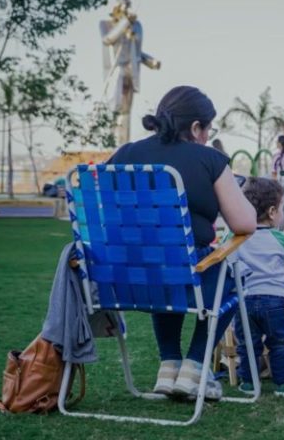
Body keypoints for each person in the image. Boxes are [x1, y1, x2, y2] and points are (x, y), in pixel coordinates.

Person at [108, 85, 256, 400]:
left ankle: (169, 369)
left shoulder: (124, 155)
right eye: (207, 129)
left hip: (125, 280)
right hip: (190, 278)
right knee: (230, 279)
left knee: (165, 264)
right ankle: (194, 367)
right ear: (195, 127)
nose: (207, 136)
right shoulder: (209, 159)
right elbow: (245, 224)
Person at [232, 177, 284, 396]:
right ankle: (283, 384)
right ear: (273, 212)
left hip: (245, 299)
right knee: (280, 343)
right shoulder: (280, 238)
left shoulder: (236, 236)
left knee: (247, 343)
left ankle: (248, 382)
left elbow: (224, 255)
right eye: (282, 208)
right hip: (275, 300)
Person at [100, 0, 161, 145]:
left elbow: (136, 52)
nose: (126, 10)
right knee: (115, 107)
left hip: (131, 71)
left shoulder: (136, 26)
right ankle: (111, 144)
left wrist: (151, 62)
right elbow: (108, 39)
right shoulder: (106, 24)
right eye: (123, 7)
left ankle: (123, 144)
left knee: (126, 111)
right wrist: (125, 23)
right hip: (116, 70)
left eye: (128, 7)